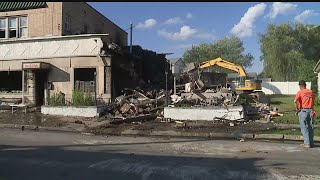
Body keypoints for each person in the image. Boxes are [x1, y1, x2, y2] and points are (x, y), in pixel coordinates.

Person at [294, 80, 315, 148]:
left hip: (304, 111)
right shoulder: (311, 92)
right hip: (311, 110)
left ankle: (306, 143)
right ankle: (311, 142)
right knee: (310, 127)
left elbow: (295, 101)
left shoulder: (300, 92)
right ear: (305, 85)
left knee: (304, 127)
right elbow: (313, 100)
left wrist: (297, 109)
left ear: (300, 86)